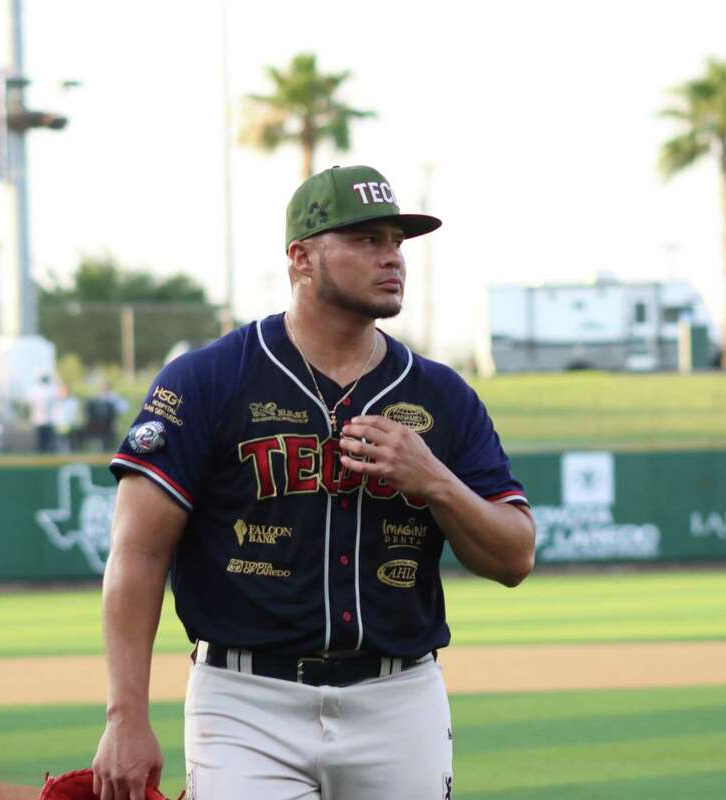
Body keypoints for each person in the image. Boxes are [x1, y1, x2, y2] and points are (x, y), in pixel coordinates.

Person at [93, 165, 536, 800]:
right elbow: (138, 551)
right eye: (366, 240)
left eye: (396, 241)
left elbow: (515, 554)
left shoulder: (442, 396)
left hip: (399, 699)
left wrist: (434, 480)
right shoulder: (206, 380)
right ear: (301, 258)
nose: (392, 258)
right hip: (246, 703)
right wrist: (125, 717)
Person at [85, 383, 129, 452]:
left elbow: (122, 408)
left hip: (111, 423)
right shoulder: (97, 397)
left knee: (111, 442)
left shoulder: (114, 397)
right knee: (100, 441)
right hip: (99, 424)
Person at [27, 374, 59, 453]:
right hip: (42, 420)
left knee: (45, 440)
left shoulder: (50, 389)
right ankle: (43, 453)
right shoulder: (49, 389)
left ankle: (45, 452)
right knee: (44, 440)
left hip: (47, 420)